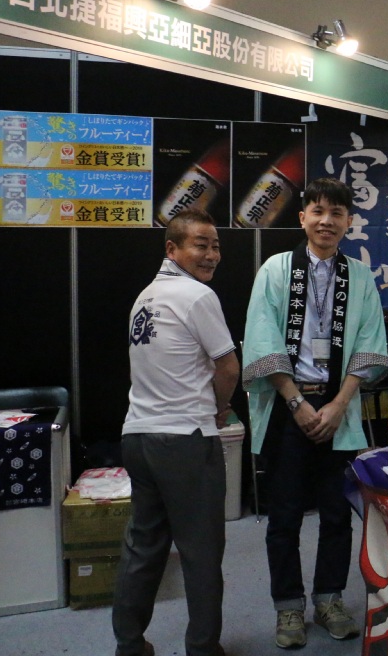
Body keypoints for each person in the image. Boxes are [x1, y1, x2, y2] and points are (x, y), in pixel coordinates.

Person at [243, 178, 388, 650]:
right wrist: (295, 402)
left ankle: (330, 599)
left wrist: (339, 403)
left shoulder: (360, 277)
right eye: (318, 211)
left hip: (338, 410)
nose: (327, 221)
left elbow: (370, 343)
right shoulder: (275, 269)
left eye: (337, 213)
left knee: (336, 513)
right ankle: (288, 606)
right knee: (284, 514)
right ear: (303, 216)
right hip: (288, 407)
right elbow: (261, 337)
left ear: (349, 221)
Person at [113, 209, 239, 656]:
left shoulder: (144, 297)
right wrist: (221, 408)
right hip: (185, 439)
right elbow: (228, 366)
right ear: (172, 249)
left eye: (216, 246)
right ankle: (202, 648)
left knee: (143, 546)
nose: (211, 255)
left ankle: (129, 645)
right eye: (200, 245)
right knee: (201, 551)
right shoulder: (196, 296)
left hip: (138, 436)